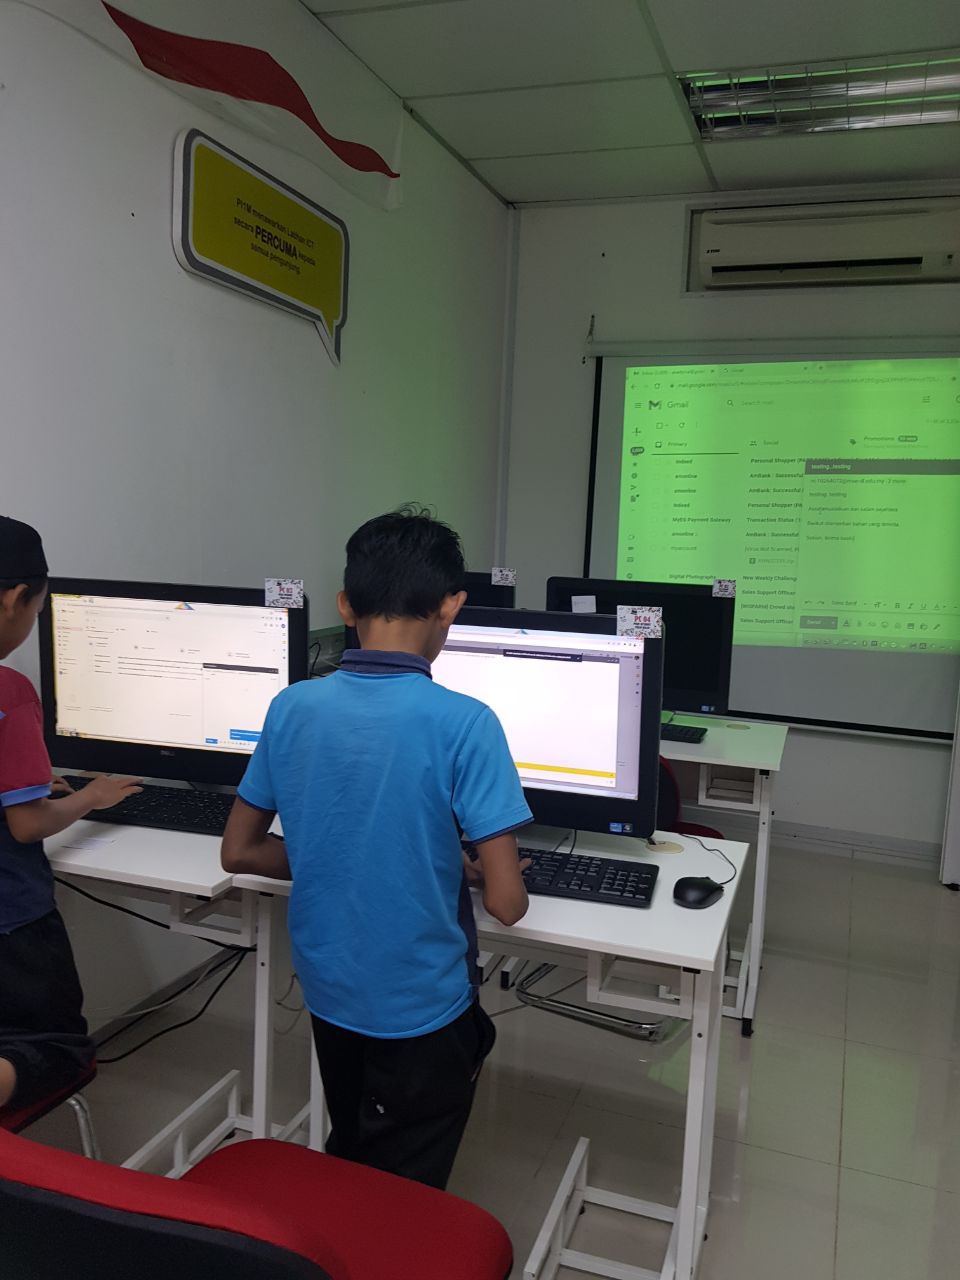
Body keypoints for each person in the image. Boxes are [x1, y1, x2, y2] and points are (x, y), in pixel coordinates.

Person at [221, 506, 532, 1189]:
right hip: (420, 1007)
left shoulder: (292, 707)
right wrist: (473, 870)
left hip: (330, 992)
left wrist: (341, 853)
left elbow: (239, 852)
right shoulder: (467, 723)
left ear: (344, 604)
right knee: (400, 1187)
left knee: (358, 1134)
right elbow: (508, 906)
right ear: (451, 605)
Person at [0, 516, 141, 1110]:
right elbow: (28, 825)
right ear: (15, 598)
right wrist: (89, 797)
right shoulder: (9, 692)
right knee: (58, 1050)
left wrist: (30, 785)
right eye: (38, 608)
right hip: (13, 926)